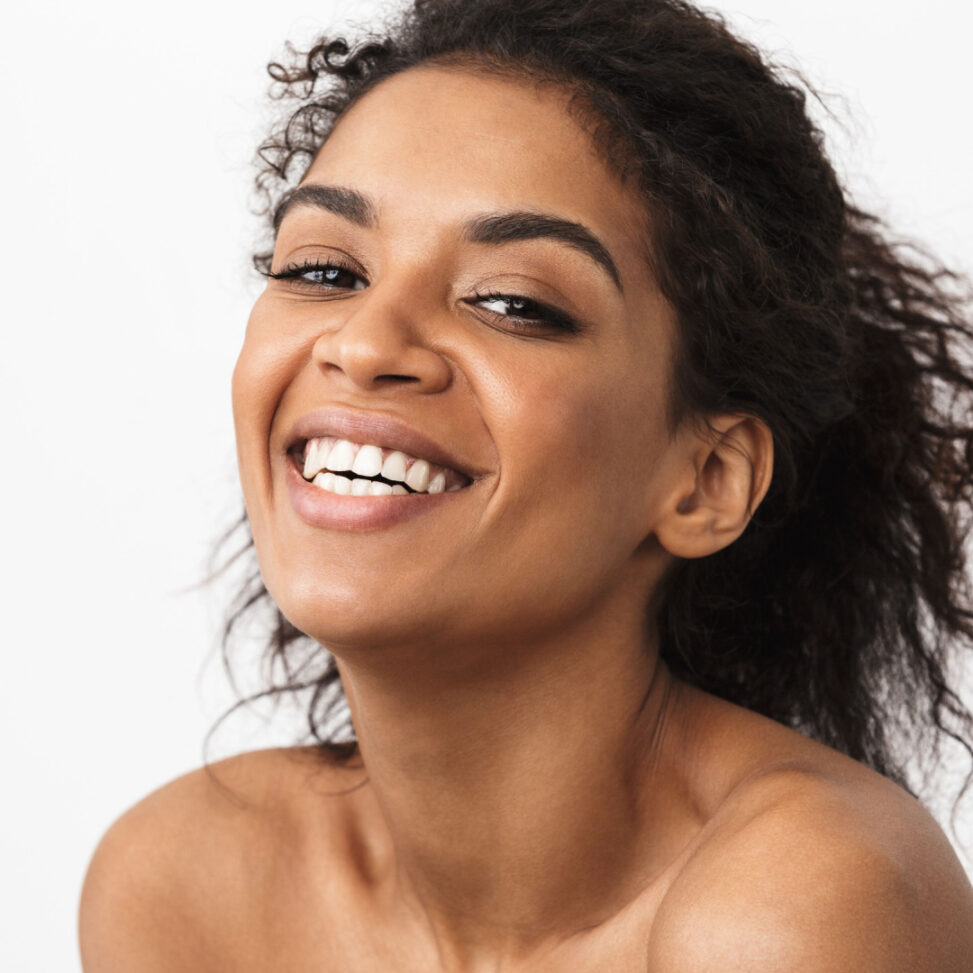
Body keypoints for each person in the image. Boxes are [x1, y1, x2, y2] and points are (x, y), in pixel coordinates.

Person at [79, 0, 973, 969]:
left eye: (512, 302)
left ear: (706, 479)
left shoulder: (795, 905)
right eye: (327, 270)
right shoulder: (186, 888)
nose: (367, 343)